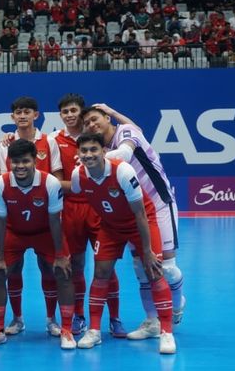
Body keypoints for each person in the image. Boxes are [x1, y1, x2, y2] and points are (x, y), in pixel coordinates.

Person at [81, 104, 186, 339]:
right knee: (141, 268)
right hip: (133, 210)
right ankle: (152, 322)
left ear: (108, 118)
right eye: (86, 123)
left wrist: (88, 158)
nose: (90, 124)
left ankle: (178, 302)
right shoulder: (105, 144)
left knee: (165, 268)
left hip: (159, 204)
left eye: (95, 119)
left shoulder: (124, 134)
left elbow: (126, 154)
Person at [70, 132, 176, 354]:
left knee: (154, 271)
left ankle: (166, 333)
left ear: (104, 151)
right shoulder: (78, 175)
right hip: (110, 227)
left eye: (94, 150)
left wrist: (146, 251)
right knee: (100, 273)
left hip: (140, 223)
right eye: (84, 151)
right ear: (78, 153)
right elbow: (75, 192)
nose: (89, 155)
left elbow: (140, 214)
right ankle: (95, 331)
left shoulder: (123, 171)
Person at [0, 139, 76, 349]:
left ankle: (65, 329)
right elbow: (1, 221)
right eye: (15, 162)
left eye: (25, 161)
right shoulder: (1, 183)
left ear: (35, 160)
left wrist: (60, 255)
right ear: (9, 162)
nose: (20, 166)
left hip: (45, 233)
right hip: (14, 233)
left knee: (63, 272)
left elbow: (55, 220)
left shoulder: (50, 182)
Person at [54, 94, 126, 338]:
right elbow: (54, 179)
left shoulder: (100, 139)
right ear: (61, 115)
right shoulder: (54, 140)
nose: (71, 115)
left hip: (99, 208)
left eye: (74, 110)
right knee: (76, 266)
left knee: (106, 266)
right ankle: (79, 315)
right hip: (71, 210)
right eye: (65, 111)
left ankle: (114, 318)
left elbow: (132, 133)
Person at [0, 96, 64, 337]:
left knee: (50, 269)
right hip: (15, 219)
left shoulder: (50, 141)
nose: (22, 115)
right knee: (12, 271)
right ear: (13, 117)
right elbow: (5, 180)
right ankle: (17, 319)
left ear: (36, 115)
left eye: (27, 111)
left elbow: (57, 175)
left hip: (45, 219)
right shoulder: (4, 143)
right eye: (18, 112)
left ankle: (51, 319)